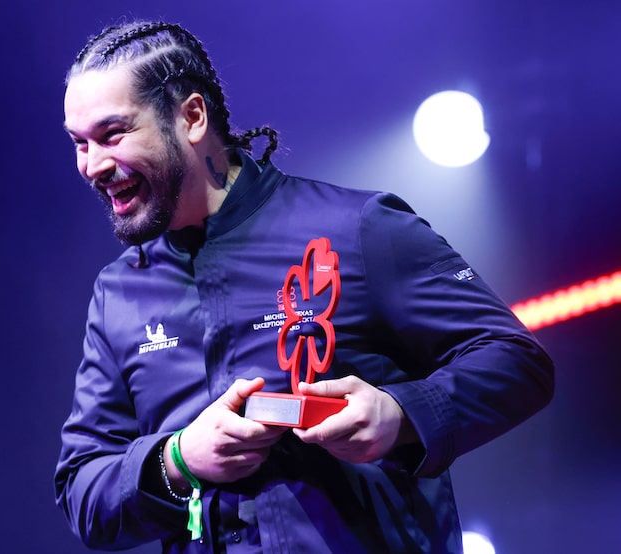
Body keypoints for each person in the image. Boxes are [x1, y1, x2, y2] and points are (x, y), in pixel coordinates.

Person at [54, 20, 555, 553]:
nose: (91, 166)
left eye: (112, 134)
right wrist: (178, 460)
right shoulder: (119, 294)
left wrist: (400, 412)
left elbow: (517, 360)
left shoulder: (358, 228)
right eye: (79, 143)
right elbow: (83, 489)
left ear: (192, 117)